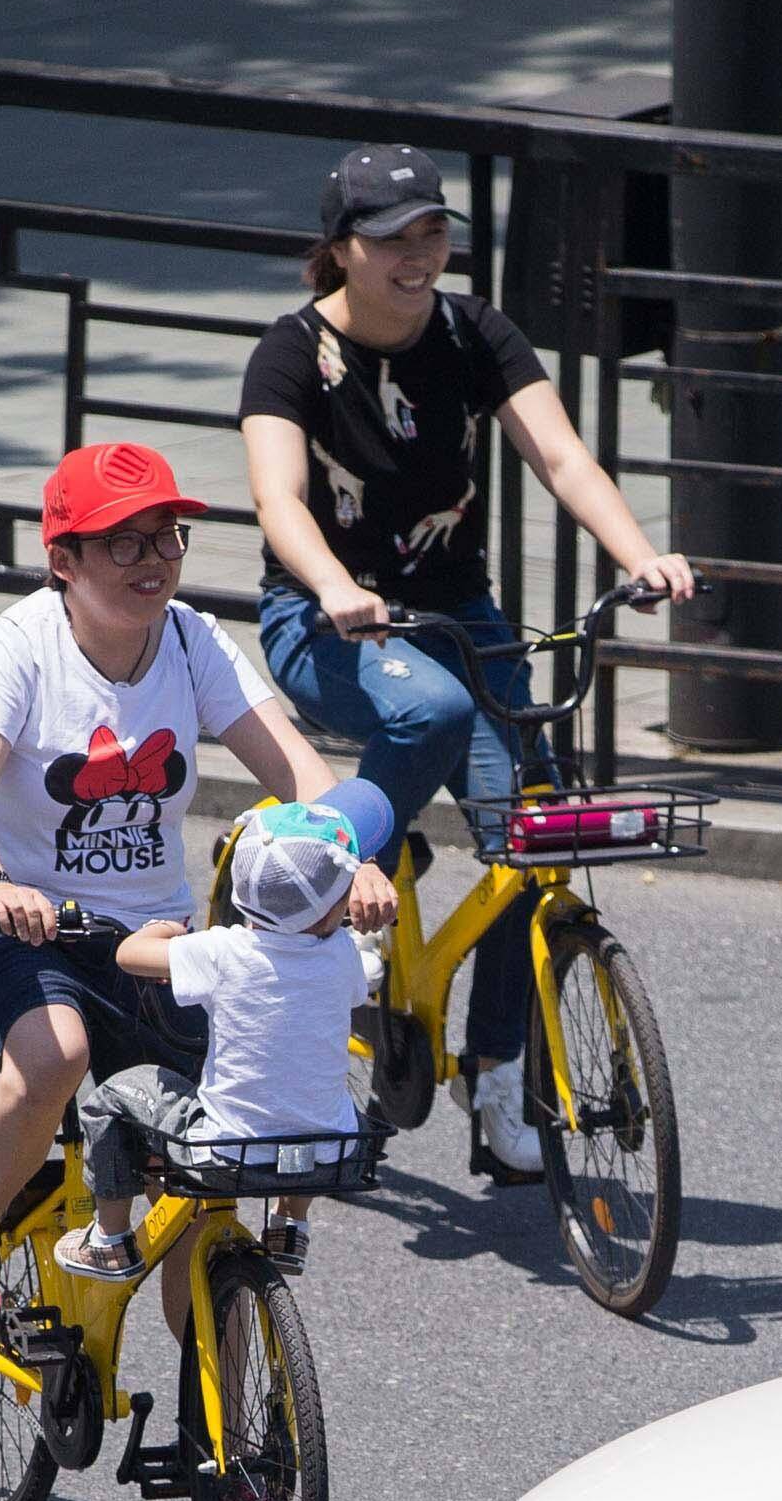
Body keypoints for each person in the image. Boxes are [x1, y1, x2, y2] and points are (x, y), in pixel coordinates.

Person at [239, 142, 695, 1182]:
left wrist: (642, 559)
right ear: (341, 249)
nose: (418, 255)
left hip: (455, 611)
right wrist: (333, 587)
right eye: (393, 239)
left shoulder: (473, 331)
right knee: (432, 713)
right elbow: (279, 500)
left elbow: (562, 456)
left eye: (432, 232)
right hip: (320, 618)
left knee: (532, 838)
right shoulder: (287, 353)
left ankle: (497, 1081)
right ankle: (337, 871)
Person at [0, 441, 393, 1332]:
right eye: (125, 543)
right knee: (54, 1056)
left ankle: (216, 1393)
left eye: (168, 538)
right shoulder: (17, 646)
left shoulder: (191, 639)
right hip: (21, 920)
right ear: (64, 559)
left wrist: (346, 855)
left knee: (221, 1130)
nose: (156, 561)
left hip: (156, 938)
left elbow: (295, 765)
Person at [62, 794, 382, 1287]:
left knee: (111, 1099)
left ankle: (109, 1239)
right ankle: (289, 1225)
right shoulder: (340, 953)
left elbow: (129, 955)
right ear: (330, 911)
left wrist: (163, 930)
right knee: (325, 1098)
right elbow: (368, 975)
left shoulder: (222, 950)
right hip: (330, 1154)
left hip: (227, 1153)